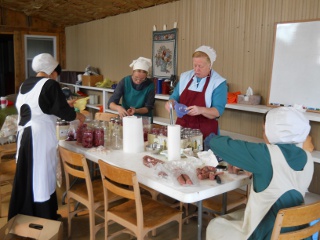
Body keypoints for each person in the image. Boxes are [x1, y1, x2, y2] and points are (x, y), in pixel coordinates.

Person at [205, 107, 314, 240]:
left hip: (267, 233)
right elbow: (282, 177)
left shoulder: (266, 154)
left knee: (215, 225)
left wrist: (210, 137)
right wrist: (256, 171)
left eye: (264, 130)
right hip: (298, 230)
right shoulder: (308, 157)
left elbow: (221, 144)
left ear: (273, 132)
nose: (263, 135)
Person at [8, 53, 86, 221]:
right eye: (57, 71)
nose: (56, 75)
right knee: (41, 176)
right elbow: (64, 112)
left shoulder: (25, 84)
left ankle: (26, 215)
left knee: (27, 175)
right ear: (52, 70)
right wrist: (76, 114)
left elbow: (43, 106)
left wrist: (65, 106)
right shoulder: (50, 84)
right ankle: (44, 216)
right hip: (39, 136)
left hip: (25, 135)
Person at [165, 45, 227, 139]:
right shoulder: (185, 77)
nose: (196, 69)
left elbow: (217, 111)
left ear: (210, 65)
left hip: (205, 132)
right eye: (195, 65)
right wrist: (171, 103)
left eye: (200, 66)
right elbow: (174, 97)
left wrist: (201, 110)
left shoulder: (218, 82)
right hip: (183, 127)